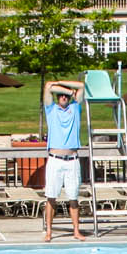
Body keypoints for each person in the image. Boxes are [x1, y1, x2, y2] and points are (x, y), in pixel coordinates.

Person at [41, 79, 86, 241]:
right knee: (51, 196)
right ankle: (49, 232)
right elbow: (47, 87)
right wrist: (62, 87)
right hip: (55, 160)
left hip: (72, 160)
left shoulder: (75, 108)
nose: (64, 98)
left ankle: (76, 231)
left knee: (73, 197)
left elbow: (82, 86)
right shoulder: (51, 109)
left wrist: (62, 84)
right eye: (61, 95)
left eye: (66, 95)